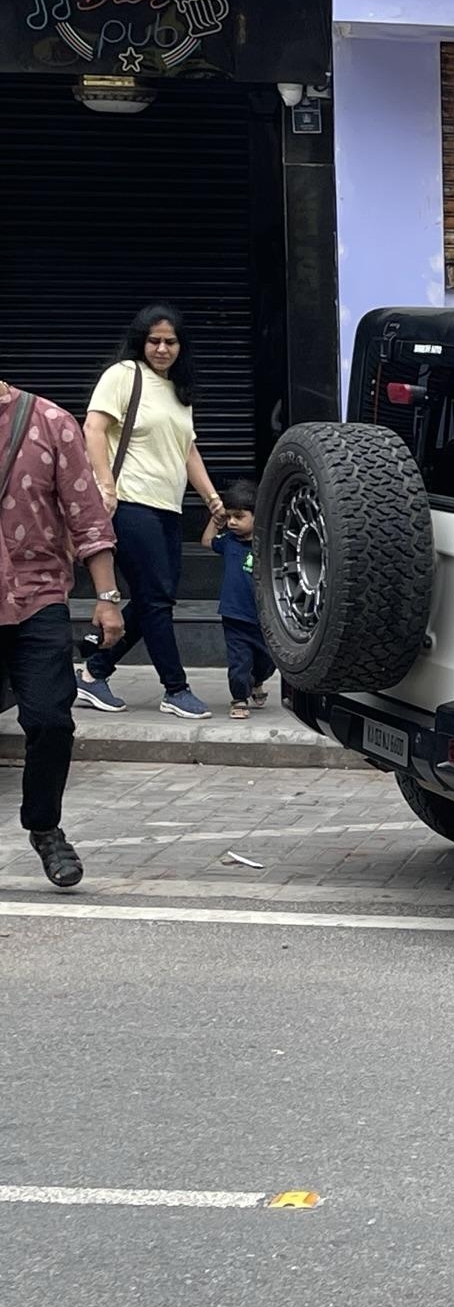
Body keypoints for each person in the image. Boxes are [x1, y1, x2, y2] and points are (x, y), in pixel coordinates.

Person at [74, 305, 227, 720]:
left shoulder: (177, 390)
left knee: (153, 599)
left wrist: (213, 500)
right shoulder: (125, 375)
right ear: (141, 341)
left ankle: (93, 671)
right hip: (130, 503)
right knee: (156, 600)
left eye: (171, 341)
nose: (162, 348)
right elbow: (93, 427)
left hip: (168, 508)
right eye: (154, 340)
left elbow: (188, 450)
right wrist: (105, 485)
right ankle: (175, 688)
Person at [0, 377, 122, 887]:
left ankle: (44, 826)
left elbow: (86, 515)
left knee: (51, 720)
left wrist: (107, 598)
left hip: (38, 596)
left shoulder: (49, 422)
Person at [201, 479, 273, 720]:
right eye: (229, 516)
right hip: (235, 615)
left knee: (268, 661)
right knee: (239, 662)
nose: (232, 522)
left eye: (238, 516)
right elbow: (206, 541)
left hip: (264, 617)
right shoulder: (229, 541)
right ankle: (239, 698)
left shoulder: (270, 545)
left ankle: (257, 681)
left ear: (257, 516)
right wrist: (216, 519)